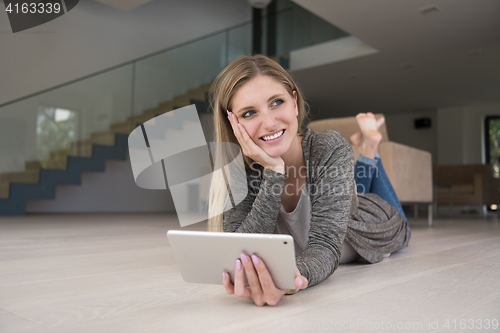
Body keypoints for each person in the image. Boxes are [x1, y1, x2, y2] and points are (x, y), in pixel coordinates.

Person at [207, 54, 410, 307]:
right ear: (233, 123)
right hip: (343, 200)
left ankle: (370, 149)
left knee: (395, 218)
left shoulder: (328, 147)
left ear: (294, 102)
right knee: (348, 189)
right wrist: (274, 172)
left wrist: (289, 280)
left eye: (277, 102)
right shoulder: (240, 171)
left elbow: (325, 246)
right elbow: (240, 251)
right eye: (249, 113)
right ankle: (367, 149)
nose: (269, 123)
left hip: (376, 222)